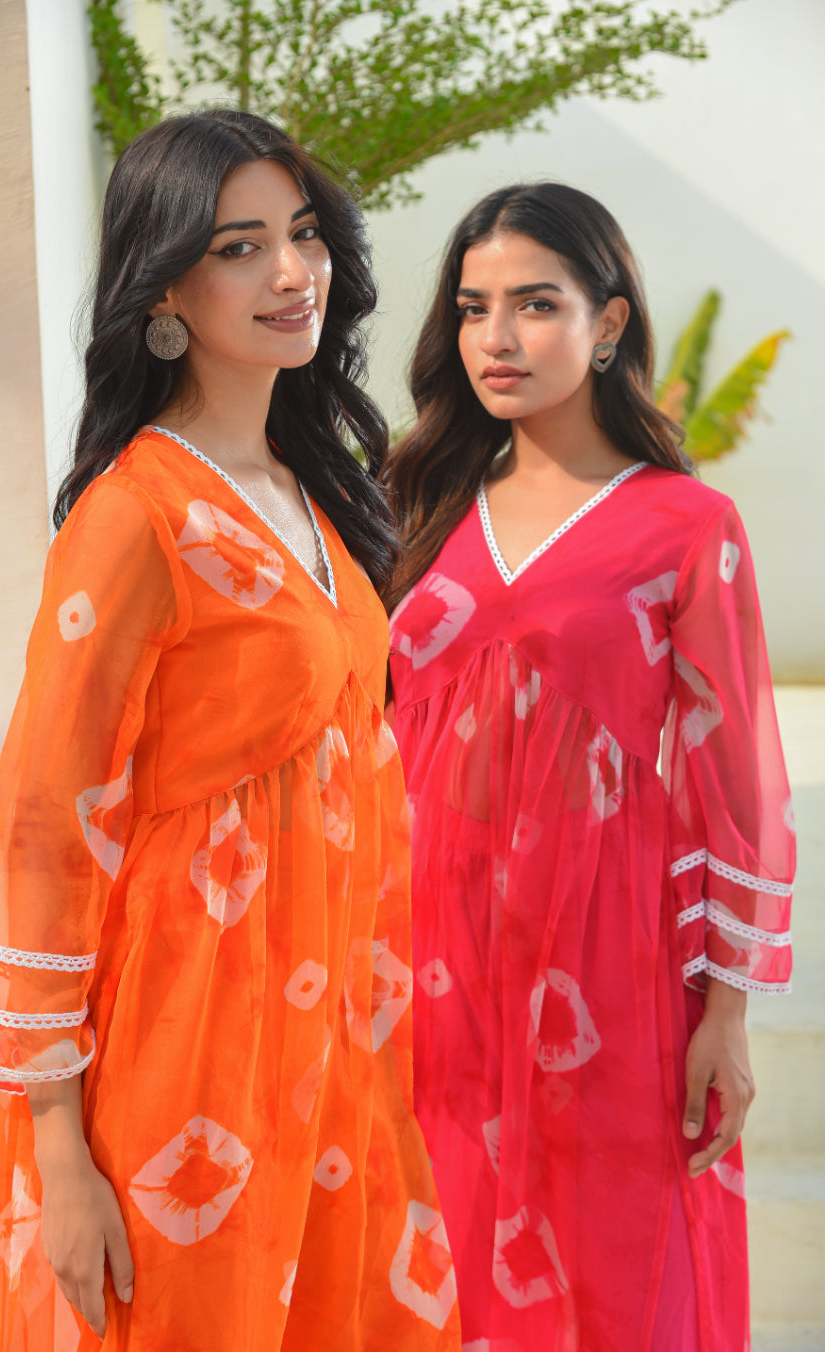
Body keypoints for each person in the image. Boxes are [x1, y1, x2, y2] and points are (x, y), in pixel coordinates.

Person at [0, 108, 461, 1352]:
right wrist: (60, 1153)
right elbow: (46, 827)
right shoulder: (134, 514)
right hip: (181, 1046)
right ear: (164, 280)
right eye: (240, 246)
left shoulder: (317, 495)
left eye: (305, 233)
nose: (291, 272)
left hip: (326, 1041)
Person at [383, 182, 794, 1352]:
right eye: (473, 308)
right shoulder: (417, 502)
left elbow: (741, 786)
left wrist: (726, 1010)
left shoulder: (684, 524)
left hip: (605, 970)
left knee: (615, 1266)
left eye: (536, 304)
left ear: (609, 324)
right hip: (426, 958)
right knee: (433, 1257)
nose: (497, 339)